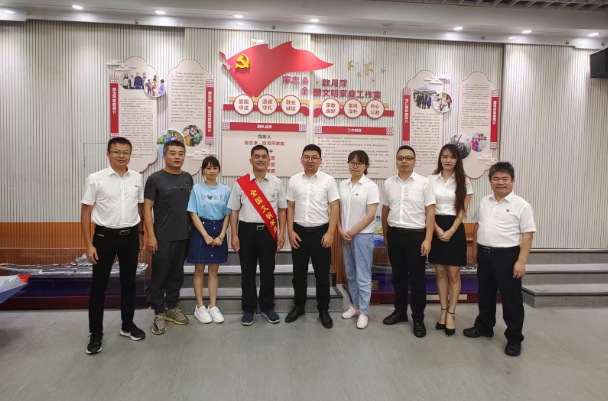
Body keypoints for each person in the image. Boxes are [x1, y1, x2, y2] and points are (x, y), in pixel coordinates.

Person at [81, 137, 146, 355]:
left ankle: (127, 325)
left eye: (125, 152)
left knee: (129, 283)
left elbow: (140, 208)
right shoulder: (95, 179)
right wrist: (88, 244)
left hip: (130, 237)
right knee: (99, 286)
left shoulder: (137, 177)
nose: (121, 156)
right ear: (108, 154)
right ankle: (95, 333)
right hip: (104, 237)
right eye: (116, 152)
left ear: (130, 155)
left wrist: (141, 234)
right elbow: (86, 212)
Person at [464, 162, 536, 357]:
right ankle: (485, 326)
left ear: (513, 180)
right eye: (496, 178)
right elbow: (477, 225)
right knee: (485, 294)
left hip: (508, 256)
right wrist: (474, 248)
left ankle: (514, 338)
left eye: (505, 179)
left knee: (511, 299)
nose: (500, 182)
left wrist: (521, 261)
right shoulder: (484, 201)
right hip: (485, 254)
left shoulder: (521, 205)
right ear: (490, 181)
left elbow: (527, 235)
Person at [381, 145, 436, 338]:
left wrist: (428, 239)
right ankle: (400, 311)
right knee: (398, 277)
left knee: (417, 280)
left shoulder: (424, 183)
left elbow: (430, 212)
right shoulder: (388, 183)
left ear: (414, 161)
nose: (404, 161)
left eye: (408, 158)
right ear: (396, 160)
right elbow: (385, 210)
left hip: (416, 236)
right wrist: (386, 236)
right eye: (401, 158)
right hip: (395, 234)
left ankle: (418, 318)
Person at [229, 145, 287, 326]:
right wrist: (234, 234)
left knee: (268, 272)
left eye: (264, 157)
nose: (260, 159)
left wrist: (281, 233)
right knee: (247, 272)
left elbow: (282, 210)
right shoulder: (241, 183)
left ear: (269, 160)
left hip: (268, 232)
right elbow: (234, 210)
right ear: (251, 160)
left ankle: (268, 307)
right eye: (257, 156)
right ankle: (249, 309)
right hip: (246, 231)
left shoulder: (276, 183)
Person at [285, 144, 340, 329]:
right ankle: (299, 306)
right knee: (298, 274)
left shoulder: (328, 180)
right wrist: (290, 231)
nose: (310, 160)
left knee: (322, 275)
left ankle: (323, 309)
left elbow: (335, 207)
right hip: (299, 233)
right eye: (307, 157)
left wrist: (330, 232)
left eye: (314, 157)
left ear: (320, 160)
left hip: (321, 233)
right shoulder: (294, 180)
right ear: (301, 159)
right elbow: (290, 206)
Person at [144, 140, 193, 335]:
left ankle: (172, 307)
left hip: (183, 236)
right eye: (173, 153)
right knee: (159, 275)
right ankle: (158, 312)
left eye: (181, 153)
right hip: (162, 236)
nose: (177, 156)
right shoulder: (155, 179)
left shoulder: (188, 178)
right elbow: (147, 209)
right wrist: (150, 235)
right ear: (164, 156)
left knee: (177, 274)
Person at [427, 144, 473, 336]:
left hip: (455, 228)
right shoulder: (431, 180)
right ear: (440, 158)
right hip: (435, 225)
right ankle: (443, 311)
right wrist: (437, 230)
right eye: (445, 156)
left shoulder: (464, 181)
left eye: (452, 157)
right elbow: (427, 208)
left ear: (457, 160)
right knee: (439, 272)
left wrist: (451, 230)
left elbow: (463, 210)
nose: (448, 160)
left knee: (454, 273)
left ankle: (452, 314)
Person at [338, 150, 379, 329]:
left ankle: (364, 312)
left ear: (366, 166)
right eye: (352, 162)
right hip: (344, 235)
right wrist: (340, 230)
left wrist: (352, 232)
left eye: (359, 163)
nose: (355, 166)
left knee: (363, 275)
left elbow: (371, 215)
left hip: (362, 235)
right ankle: (354, 306)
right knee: (350, 273)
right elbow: (336, 210)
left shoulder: (371, 186)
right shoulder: (342, 184)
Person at [187, 156, 231, 324]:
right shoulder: (196, 189)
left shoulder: (226, 190)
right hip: (201, 230)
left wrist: (221, 235)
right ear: (203, 171)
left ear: (219, 170)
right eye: (208, 168)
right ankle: (200, 306)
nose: (212, 171)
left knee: (213, 271)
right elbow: (193, 213)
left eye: (215, 168)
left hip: (219, 229)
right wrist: (205, 235)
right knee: (199, 270)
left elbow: (228, 215)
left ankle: (213, 306)